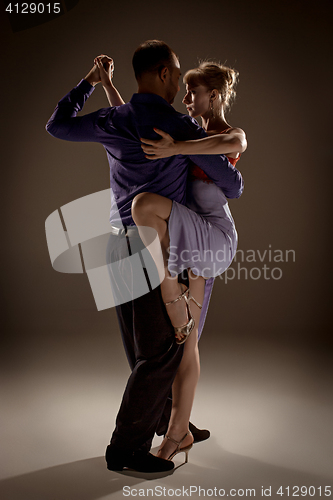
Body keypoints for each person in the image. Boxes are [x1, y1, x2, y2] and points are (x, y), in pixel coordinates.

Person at [46, 40, 244, 473]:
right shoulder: (178, 125)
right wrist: (183, 148)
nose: (180, 84)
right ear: (164, 73)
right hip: (151, 245)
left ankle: (173, 420)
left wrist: (91, 83)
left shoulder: (114, 119)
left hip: (115, 245)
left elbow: (57, 126)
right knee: (161, 352)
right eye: (176, 74)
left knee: (142, 350)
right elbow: (231, 184)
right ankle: (127, 448)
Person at [96, 56, 247, 461]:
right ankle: (179, 432)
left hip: (211, 235)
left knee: (146, 204)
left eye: (192, 91)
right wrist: (110, 88)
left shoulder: (226, 134)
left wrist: (176, 149)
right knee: (186, 342)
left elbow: (234, 147)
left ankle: (176, 432)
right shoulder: (187, 128)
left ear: (213, 96)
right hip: (187, 234)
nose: (185, 97)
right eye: (184, 90)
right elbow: (135, 121)